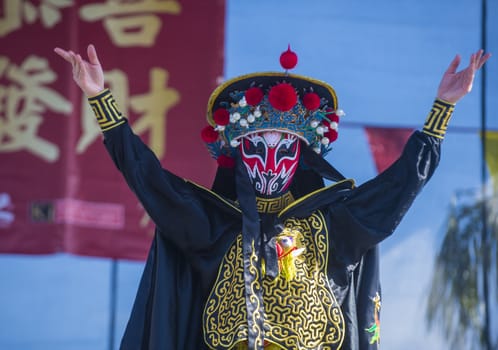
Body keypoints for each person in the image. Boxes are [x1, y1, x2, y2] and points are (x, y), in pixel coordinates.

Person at [55, 44, 489, 350]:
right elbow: (148, 178)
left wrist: (442, 109)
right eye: (256, 147)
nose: (270, 161)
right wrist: (100, 99)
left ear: (302, 158)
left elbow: (399, 186)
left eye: (284, 149)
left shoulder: (333, 223)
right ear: (235, 155)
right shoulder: (213, 224)